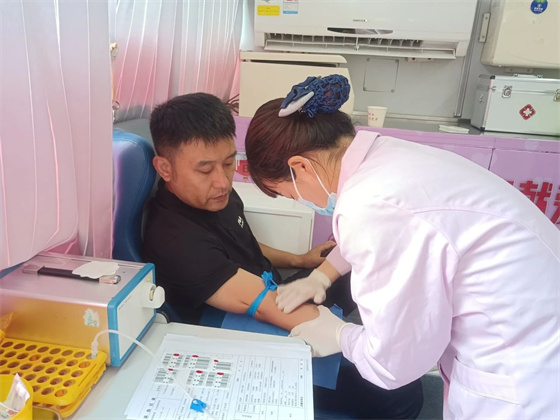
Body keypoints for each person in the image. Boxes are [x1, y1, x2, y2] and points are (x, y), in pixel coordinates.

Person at [244, 74, 560, 419]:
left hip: (524, 377)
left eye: (291, 195)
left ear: (300, 167)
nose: (301, 201)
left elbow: (394, 364)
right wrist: (321, 275)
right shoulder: (387, 157)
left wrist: (339, 334)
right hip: (534, 322)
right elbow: (398, 231)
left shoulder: (372, 205)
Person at [142, 92, 424, 419]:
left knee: (347, 269)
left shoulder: (215, 197)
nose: (222, 181)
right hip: (235, 325)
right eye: (205, 170)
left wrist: (302, 261)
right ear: (165, 168)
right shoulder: (174, 239)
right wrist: (349, 341)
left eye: (229, 163)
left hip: (267, 291)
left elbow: (243, 243)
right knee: (400, 393)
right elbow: (263, 305)